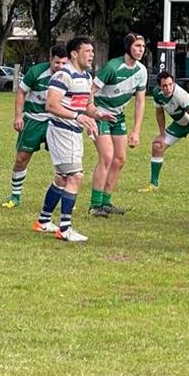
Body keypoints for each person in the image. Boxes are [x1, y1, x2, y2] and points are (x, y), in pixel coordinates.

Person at [32, 36, 115, 242]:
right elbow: (51, 105)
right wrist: (78, 116)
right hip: (62, 131)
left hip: (73, 132)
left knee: (62, 178)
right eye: (87, 51)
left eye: (92, 51)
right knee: (75, 176)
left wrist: (98, 114)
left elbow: (85, 105)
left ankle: (42, 222)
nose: (92, 55)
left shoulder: (86, 76)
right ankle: (65, 228)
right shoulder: (63, 75)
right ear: (74, 54)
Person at [88, 33, 148, 217]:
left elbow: (140, 101)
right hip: (101, 114)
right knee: (106, 156)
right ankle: (94, 205)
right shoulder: (112, 67)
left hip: (118, 117)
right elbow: (89, 91)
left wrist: (136, 131)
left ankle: (106, 202)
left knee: (119, 159)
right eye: (137, 46)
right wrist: (92, 113)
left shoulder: (141, 71)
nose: (141, 50)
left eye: (143, 47)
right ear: (128, 47)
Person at [2, 44, 69, 209]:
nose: (60, 67)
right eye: (57, 63)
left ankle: (66, 197)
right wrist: (18, 117)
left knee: (64, 162)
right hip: (33, 120)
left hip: (57, 121)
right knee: (21, 159)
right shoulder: (36, 72)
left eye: (63, 63)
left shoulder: (70, 76)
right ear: (50, 59)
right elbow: (21, 92)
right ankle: (15, 196)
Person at [140, 70, 189, 195]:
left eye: (170, 84)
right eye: (165, 86)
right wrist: (162, 134)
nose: (168, 88)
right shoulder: (157, 94)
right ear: (159, 86)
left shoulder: (180, 95)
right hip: (179, 124)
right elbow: (159, 112)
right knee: (157, 146)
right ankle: (153, 184)